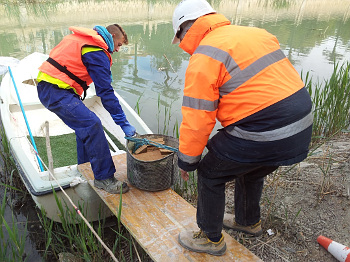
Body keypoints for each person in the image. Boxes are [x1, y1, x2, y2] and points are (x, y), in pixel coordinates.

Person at [171, 0, 313, 256]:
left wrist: (187, 161)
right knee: (251, 166)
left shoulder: (205, 56)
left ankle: (210, 238)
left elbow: (197, 118)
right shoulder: (255, 33)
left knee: (210, 173)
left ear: (185, 29)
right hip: (300, 126)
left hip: (267, 129)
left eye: (179, 37)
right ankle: (248, 222)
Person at [37, 24, 136, 194]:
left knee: (84, 125)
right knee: (92, 124)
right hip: (55, 91)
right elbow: (105, 91)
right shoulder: (96, 50)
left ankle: (84, 165)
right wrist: (123, 123)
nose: (118, 50)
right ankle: (104, 178)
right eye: (119, 44)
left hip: (53, 87)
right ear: (111, 36)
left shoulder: (82, 40)